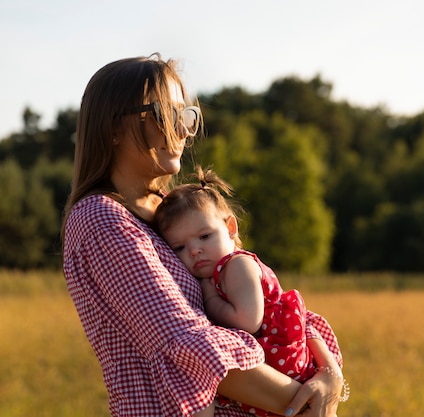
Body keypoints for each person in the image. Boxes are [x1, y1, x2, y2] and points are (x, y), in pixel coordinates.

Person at [61, 53, 344, 417]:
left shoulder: (171, 213)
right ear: (112, 127)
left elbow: (266, 298)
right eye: (164, 115)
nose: (181, 130)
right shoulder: (102, 219)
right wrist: (305, 405)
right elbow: (189, 344)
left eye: (184, 116)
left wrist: (329, 375)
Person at [153, 168, 348, 417]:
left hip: (282, 361)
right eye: (179, 247)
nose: (194, 251)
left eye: (204, 236)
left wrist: (210, 300)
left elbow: (248, 320)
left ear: (231, 227)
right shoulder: (220, 271)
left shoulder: (236, 266)